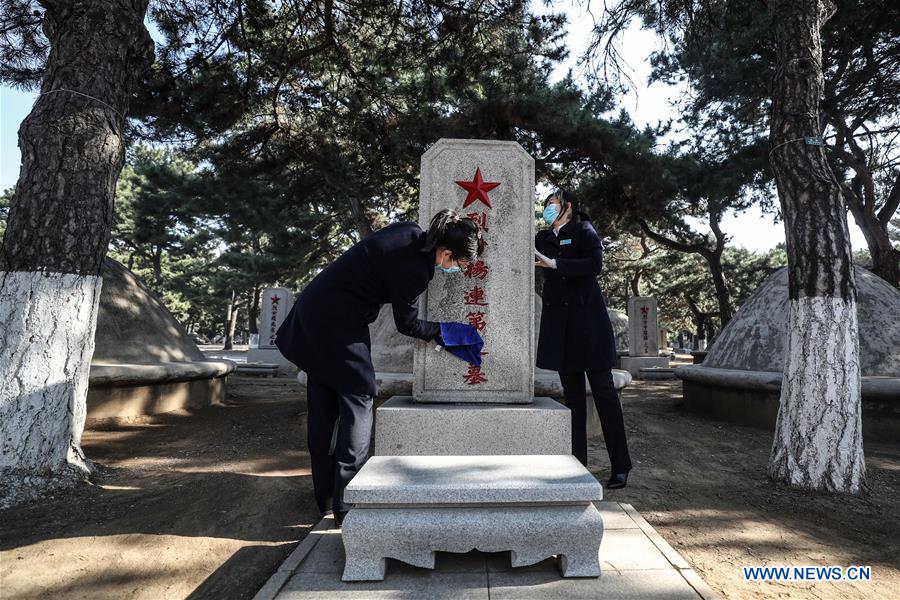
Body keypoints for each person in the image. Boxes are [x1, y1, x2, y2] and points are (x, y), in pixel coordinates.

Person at [276, 209, 484, 525]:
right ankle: (348, 510)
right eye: (458, 263)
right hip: (339, 325)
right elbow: (408, 324)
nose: (456, 269)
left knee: (323, 402)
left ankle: (326, 499)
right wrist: (448, 331)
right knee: (359, 399)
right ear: (445, 252)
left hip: (312, 312)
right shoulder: (417, 270)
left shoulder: (409, 231)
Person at [534, 189, 632, 489]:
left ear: (567, 207)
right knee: (572, 397)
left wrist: (557, 265)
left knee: (604, 394)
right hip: (561, 327)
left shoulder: (583, 229)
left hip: (588, 324)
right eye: (545, 207)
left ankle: (620, 466)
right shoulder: (543, 237)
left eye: (553, 206)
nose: (548, 211)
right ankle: (577, 464)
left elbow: (594, 265)